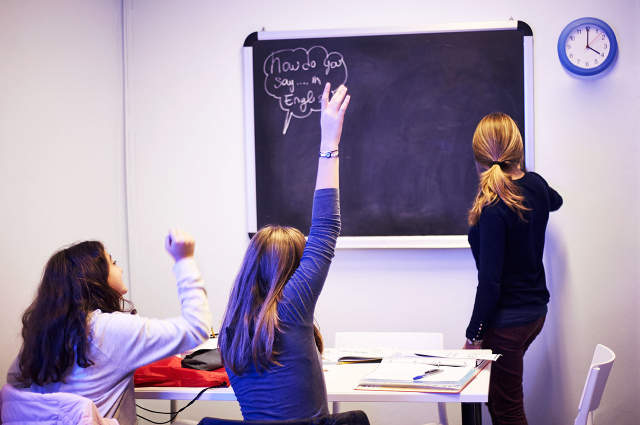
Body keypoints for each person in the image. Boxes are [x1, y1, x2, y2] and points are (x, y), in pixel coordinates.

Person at [218, 82, 350, 421]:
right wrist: (329, 142)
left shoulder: (230, 333)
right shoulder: (291, 309)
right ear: (294, 271)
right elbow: (326, 227)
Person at [4, 229, 211, 425]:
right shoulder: (108, 329)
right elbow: (196, 328)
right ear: (96, 277)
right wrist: (184, 260)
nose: (120, 269)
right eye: (113, 263)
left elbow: (15, 381)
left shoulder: (43, 335)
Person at [463, 112, 563, 425]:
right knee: (498, 399)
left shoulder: (493, 206)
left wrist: (473, 336)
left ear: (478, 156)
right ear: (517, 150)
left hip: (508, 323)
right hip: (534, 314)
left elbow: (490, 282)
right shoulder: (535, 185)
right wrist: (522, 174)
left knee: (506, 410)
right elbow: (556, 201)